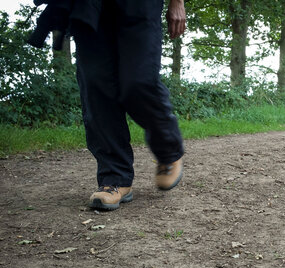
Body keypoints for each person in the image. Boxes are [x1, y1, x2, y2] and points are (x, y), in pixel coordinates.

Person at [29, 0, 187, 210]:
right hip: (89, 5)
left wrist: (177, 2)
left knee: (138, 82)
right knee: (96, 85)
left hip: (140, 6)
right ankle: (115, 179)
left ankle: (168, 148)